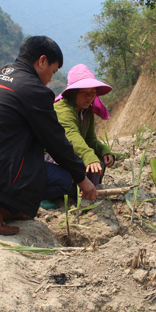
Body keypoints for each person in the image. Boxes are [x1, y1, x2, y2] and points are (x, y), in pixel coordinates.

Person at [0, 36, 98, 236]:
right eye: (53, 70)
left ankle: (3, 205)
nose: (50, 78)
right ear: (42, 61)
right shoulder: (35, 90)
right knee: (64, 180)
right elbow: (55, 142)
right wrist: (81, 177)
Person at [38, 64, 114, 209]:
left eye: (92, 92)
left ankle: (79, 192)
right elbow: (71, 137)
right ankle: (44, 194)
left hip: (70, 153)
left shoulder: (87, 112)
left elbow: (90, 139)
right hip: (49, 157)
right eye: (84, 92)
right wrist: (88, 156)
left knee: (98, 162)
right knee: (73, 169)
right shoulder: (62, 110)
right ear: (73, 92)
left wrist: (104, 151)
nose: (89, 96)